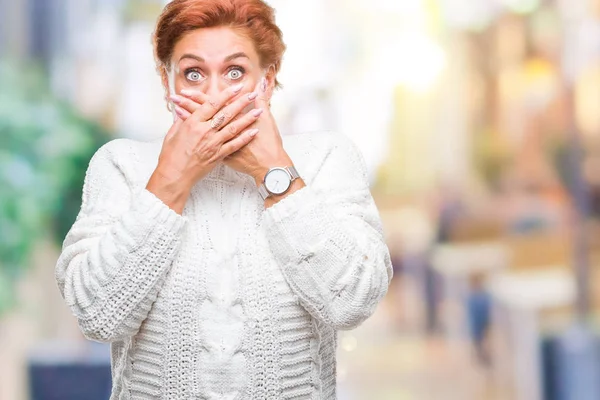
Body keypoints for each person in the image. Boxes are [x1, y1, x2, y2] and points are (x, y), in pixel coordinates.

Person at [54, 0, 392, 398]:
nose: (214, 95)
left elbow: (352, 302)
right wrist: (169, 182)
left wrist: (275, 173)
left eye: (235, 72)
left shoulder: (326, 159)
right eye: (193, 73)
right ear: (167, 83)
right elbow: (98, 317)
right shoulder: (121, 166)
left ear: (266, 80)